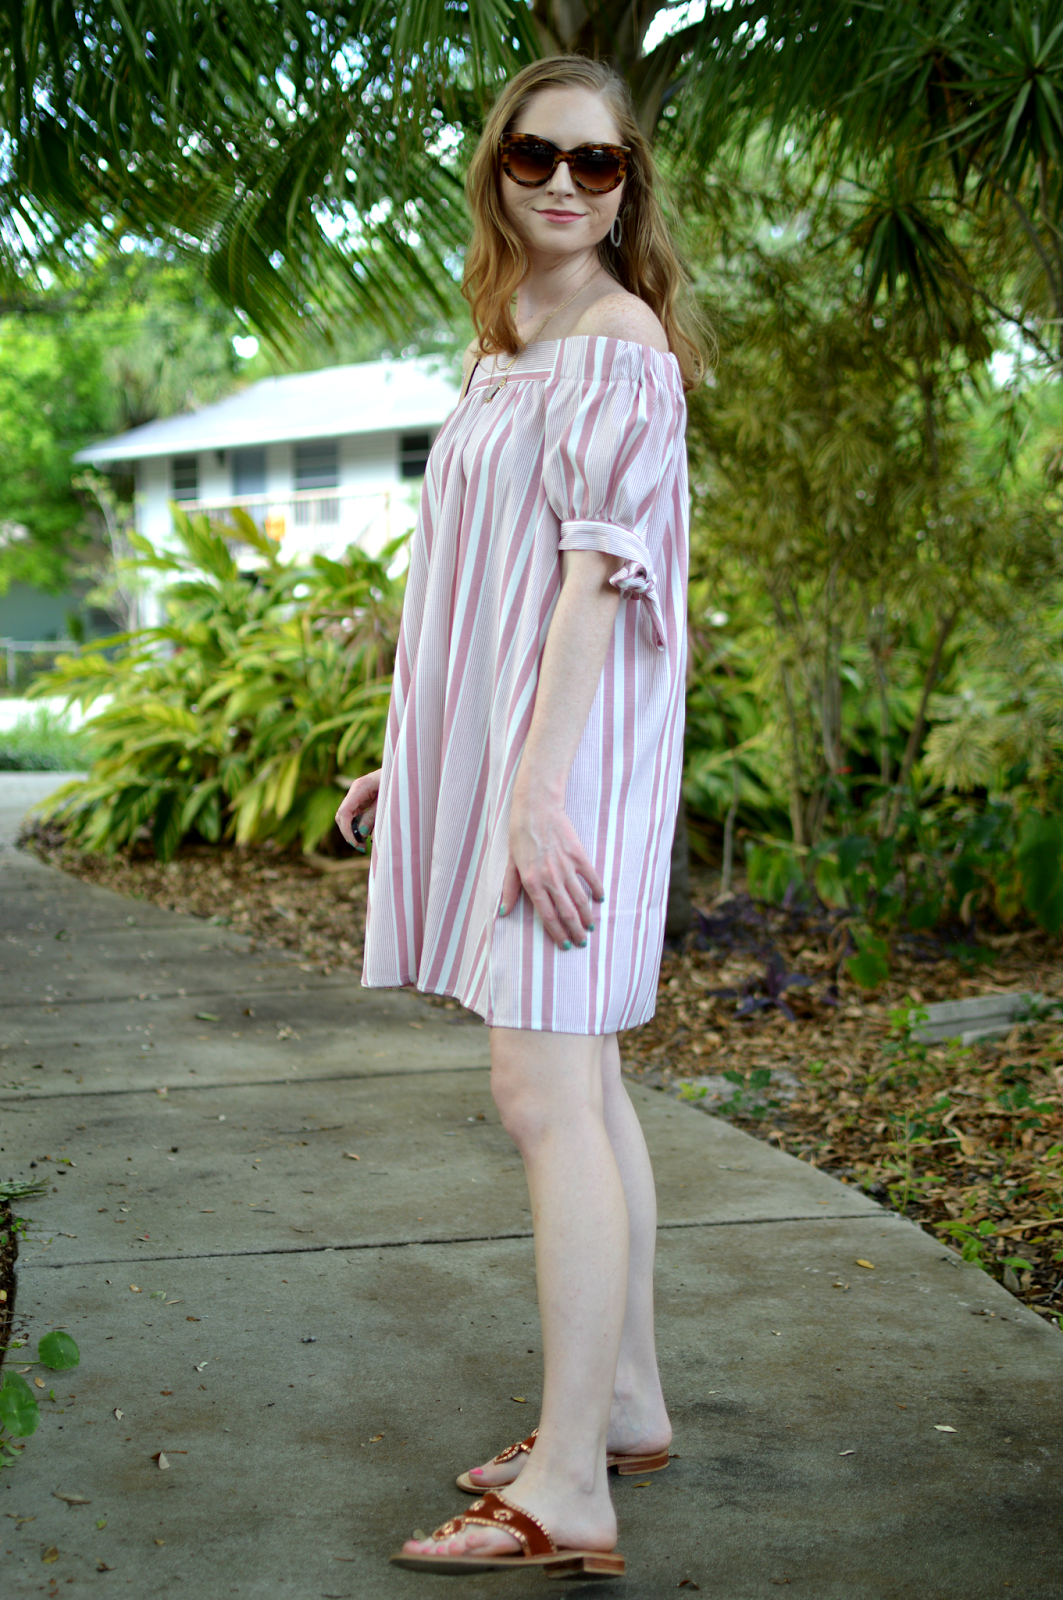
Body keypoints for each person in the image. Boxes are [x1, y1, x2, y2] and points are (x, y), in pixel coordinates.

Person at [336, 53, 706, 1578]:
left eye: (596, 165)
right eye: (535, 157)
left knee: (541, 1095)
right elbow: (467, 576)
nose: (562, 183)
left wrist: (534, 792)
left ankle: (568, 1486)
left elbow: (588, 584)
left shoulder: (618, 344)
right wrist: (411, 753)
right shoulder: (509, 342)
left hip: (573, 766)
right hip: (506, 756)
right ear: (496, 169)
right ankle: (619, 1404)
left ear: (629, 187)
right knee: (583, 1085)